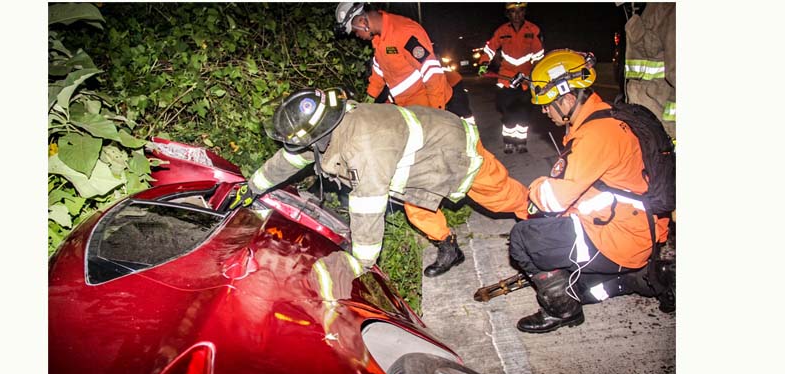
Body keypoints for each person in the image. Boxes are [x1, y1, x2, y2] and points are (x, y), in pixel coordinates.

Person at [232, 87, 531, 278]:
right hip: (420, 158)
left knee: (500, 195)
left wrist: (359, 265)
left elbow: (367, 208)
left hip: (453, 147)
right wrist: (252, 187)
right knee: (419, 211)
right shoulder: (331, 126)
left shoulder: (363, 147)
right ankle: (450, 249)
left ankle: (540, 215)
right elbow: (291, 159)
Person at [506, 49, 670, 333]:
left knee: (523, 239)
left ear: (568, 98)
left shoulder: (596, 135)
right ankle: (640, 277)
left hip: (622, 237)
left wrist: (536, 187)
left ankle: (563, 312)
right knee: (578, 285)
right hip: (637, 229)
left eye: (547, 104)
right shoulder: (604, 119)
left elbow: (555, 199)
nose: (544, 111)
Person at [334, 3, 453, 111]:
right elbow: (379, 69)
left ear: (362, 22)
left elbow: (432, 72)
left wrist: (437, 110)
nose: (358, 36)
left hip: (429, 104)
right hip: (407, 106)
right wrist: (370, 96)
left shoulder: (404, 32)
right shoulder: (378, 39)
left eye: (356, 31)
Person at [477, 2, 545, 154]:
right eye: (513, 12)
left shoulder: (533, 30)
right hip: (506, 79)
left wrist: (537, 72)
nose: (517, 15)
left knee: (524, 115)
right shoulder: (501, 31)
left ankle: (521, 143)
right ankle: (508, 142)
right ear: (508, 14)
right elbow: (490, 49)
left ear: (524, 12)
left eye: (520, 11)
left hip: (526, 81)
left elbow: (539, 55)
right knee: (508, 115)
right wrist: (483, 63)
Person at [621, 2, 676, 143]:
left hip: (665, 132)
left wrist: (672, 131)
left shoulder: (669, 9)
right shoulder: (643, 10)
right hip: (646, 128)